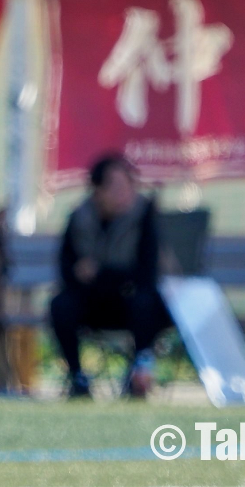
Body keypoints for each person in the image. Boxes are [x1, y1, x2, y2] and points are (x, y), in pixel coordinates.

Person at [49, 154, 170, 400]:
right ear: (97, 191)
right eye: (115, 187)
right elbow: (66, 270)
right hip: (93, 304)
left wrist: (101, 273)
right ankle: (77, 377)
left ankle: (138, 375)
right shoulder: (79, 217)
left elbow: (146, 273)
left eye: (128, 186)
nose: (123, 193)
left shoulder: (144, 215)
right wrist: (85, 274)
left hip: (130, 303)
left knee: (147, 304)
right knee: (61, 305)